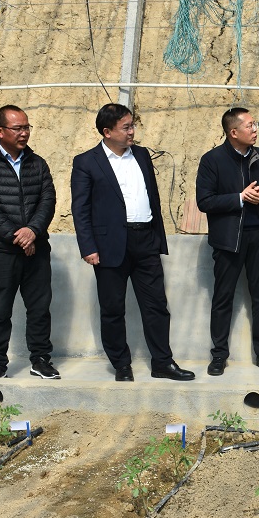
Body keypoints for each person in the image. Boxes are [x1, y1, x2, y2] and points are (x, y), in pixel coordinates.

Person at [71, 103, 194, 382]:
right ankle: (121, 364)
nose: (132, 132)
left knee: (156, 306)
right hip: (109, 245)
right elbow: (81, 208)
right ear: (107, 132)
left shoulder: (141, 154)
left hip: (145, 240)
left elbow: (152, 196)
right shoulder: (86, 162)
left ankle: (162, 362)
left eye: (132, 125)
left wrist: (157, 236)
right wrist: (88, 247)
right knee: (113, 309)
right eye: (126, 127)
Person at [0, 105, 59, 379]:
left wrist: (33, 231)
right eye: (18, 128)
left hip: (36, 249)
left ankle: (40, 360)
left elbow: (48, 200)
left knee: (39, 309)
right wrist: (18, 236)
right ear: (0, 131)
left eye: (27, 127)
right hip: (1, 252)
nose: (24, 133)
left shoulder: (37, 163)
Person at [196, 107, 259, 376]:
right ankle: (219, 355)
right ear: (233, 132)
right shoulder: (212, 160)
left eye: (255, 125)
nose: (255, 130)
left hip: (258, 237)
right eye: (249, 125)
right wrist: (240, 198)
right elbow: (204, 201)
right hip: (228, 240)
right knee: (223, 298)